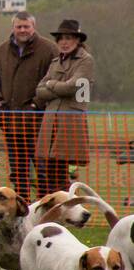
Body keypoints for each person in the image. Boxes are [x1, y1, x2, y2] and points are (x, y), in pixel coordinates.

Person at [0, 11, 58, 197]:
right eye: (19, 26)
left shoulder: (49, 50)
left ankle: (44, 210)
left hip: (40, 123)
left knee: (43, 173)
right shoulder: (1, 51)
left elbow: (55, 81)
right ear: (13, 28)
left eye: (26, 26)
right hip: (11, 123)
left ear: (34, 27)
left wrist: (35, 104)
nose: (23, 30)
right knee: (18, 173)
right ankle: (21, 211)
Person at [34, 19, 94, 195]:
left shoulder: (85, 60)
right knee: (49, 172)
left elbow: (73, 86)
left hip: (69, 122)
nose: (64, 42)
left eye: (69, 38)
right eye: (61, 39)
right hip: (51, 120)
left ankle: (68, 208)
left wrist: (51, 84)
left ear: (77, 40)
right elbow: (39, 90)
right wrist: (58, 86)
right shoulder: (55, 62)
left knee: (61, 174)